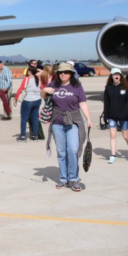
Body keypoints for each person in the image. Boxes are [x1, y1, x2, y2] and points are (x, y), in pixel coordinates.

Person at [42, 62, 92, 192]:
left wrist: (88, 119)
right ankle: (64, 179)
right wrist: (44, 90)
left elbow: (83, 103)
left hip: (73, 122)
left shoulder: (77, 86)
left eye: (65, 72)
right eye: (60, 72)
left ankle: (74, 178)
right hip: (57, 122)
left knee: (73, 149)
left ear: (71, 74)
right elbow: (44, 97)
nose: (63, 74)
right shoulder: (53, 84)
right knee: (61, 152)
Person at [102, 68, 128, 163]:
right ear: (111, 76)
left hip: (124, 116)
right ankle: (113, 155)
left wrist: (124, 113)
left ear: (120, 76)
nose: (116, 76)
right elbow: (106, 103)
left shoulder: (126, 87)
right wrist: (105, 116)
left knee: (125, 136)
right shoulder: (108, 88)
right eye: (114, 74)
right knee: (112, 135)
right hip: (112, 116)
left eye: (118, 74)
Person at [13, 67, 42, 141]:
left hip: (28, 100)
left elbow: (21, 88)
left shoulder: (26, 79)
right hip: (37, 99)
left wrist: (16, 98)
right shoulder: (38, 79)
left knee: (24, 118)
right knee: (35, 118)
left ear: (29, 71)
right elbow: (42, 88)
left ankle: (23, 135)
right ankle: (35, 135)